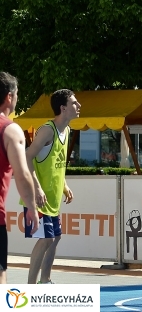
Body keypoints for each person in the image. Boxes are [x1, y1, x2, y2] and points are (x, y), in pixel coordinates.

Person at [25, 89, 79, 285]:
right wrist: (37, 189)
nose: (78, 106)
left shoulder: (67, 131)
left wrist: (64, 185)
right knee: (47, 239)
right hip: (38, 197)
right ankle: (30, 287)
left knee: (55, 237)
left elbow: (58, 162)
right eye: (74, 103)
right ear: (63, 108)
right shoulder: (47, 130)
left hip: (52, 197)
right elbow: (27, 157)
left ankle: (45, 281)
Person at [0, 73, 39, 284]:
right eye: (17, 94)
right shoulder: (10, 129)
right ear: (9, 97)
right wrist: (32, 208)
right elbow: (22, 174)